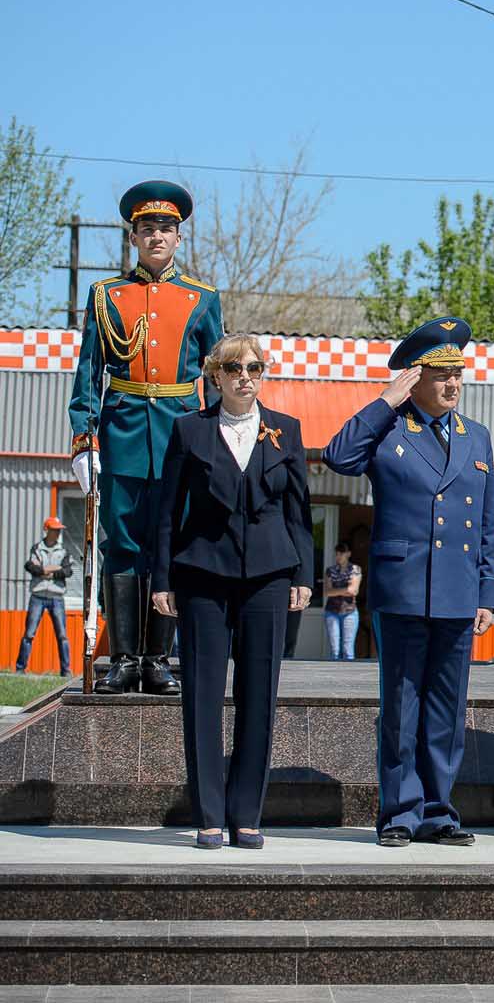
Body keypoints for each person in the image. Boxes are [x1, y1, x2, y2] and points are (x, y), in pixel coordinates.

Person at [323, 317, 494, 848]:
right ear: (415, 379)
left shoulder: (478, 437)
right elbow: (338, 456)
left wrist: (488, 593)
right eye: (440, 374)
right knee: (402, 708)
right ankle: (399, 813)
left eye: (458, 374)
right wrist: (384, 403)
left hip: (457, 592)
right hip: (404, 590)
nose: (452, 384)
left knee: (446, 709)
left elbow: (489, 524)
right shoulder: (391, 430)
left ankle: (438, 813)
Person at [149, 335, 314, 849]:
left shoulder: (285, 431)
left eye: (255, 367)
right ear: (215, 376)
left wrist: (304, 576)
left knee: (259, 695)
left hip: (268, 578)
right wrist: (161, 579)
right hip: (201, 577)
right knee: (201, 695)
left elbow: (299, 514)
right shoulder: (189, 431)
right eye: (235, 367)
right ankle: (210, 816)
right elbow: (166, 513)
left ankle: (247, 814)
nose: (247, 375)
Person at [68, 180, 223, 695]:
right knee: (123, 544)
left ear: (179, 238)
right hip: (123, 433)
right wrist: (84, 439)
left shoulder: (203, 299)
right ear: (133, 236)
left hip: (181, 435)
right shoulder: (107, 296)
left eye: (167, 228)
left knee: (173, 545)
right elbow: (89, 372)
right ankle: (123, 659)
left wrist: (220, 437)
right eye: (148, 227)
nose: (158, 235)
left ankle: (158, 659)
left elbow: (216, 374)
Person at [17, 518, 79, 676]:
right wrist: (52, 569)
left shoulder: (64, 549)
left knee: (62, 635)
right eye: (54, 529)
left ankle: (65, 671)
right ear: (47, 530)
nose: (58, 532)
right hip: (37, 595)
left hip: (56, 597)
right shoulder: (37, 548)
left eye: (59, 529)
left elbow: (67, 571)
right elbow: (31, 567)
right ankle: (20, 668)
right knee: (29, 633)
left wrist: (45, 570)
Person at [323, 543, 363, 661]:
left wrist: (336, 590)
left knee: (348, 649)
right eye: (337, 553)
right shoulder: (330, 570)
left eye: (342, 553)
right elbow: (327, 592)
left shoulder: (355, 569)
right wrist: (345, 589)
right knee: (335, 650)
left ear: (348, 554)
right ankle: (334, 677)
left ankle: (348, 678)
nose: (339, 556)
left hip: (349, 612)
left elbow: (354, 590)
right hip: (332, 611)